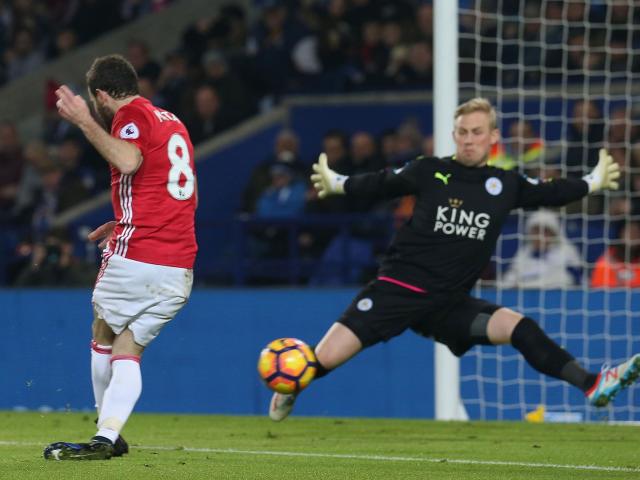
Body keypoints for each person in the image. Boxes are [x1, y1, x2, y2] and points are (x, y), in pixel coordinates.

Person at [268, 97, 638, 422]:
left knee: (519, 327)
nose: (468, 139)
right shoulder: (430, 170)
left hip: (447, 304)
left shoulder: (504, 185)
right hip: (398, 289)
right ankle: (291, 383)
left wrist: (592, 181)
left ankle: (592, 384)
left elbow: (551, 192)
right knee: (326, 358)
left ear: (493, 137)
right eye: (462, 132)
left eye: (476, 132)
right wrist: (339, 183)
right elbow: (383, 182)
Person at [43, 54, 197, 460]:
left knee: (102, 332)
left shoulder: (129, 117)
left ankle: (102, 433)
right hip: (178, 262)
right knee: (129, 347)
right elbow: (164, 185)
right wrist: (124, 218)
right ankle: (111, 434)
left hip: (140, 254)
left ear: (100, 95)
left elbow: (129, 160)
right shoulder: (170, 120)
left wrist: (82, 121)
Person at [498, 209, 581, 289]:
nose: (540, 235)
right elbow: (509, 278)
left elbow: (567, 279)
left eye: (545, 231)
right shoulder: (524, 252)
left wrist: (526, 285)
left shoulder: (566, 251)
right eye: (536, 231)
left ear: (554, 233)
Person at [591, 220, 640, 288]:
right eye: (630, 231)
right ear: (621, 233)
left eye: (637, 232)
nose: (633, 235)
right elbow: (599, 289)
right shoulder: (606, 260)